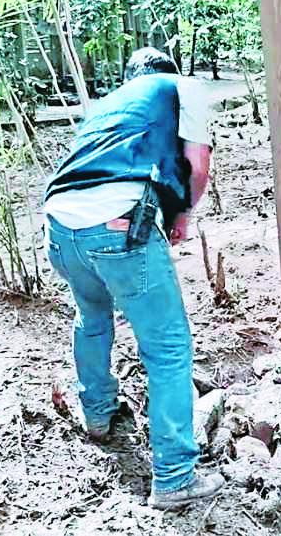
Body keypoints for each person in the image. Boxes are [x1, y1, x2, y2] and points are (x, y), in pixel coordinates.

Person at [42, 47, 223, 510]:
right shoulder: (184, 87)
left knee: (92, 317)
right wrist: (182, 213)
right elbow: (197, 165)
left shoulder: (108, 103)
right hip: (118, 225)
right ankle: (174, 478)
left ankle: (98, 416)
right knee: (167, 348)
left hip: (59, 226)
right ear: (168, 73)